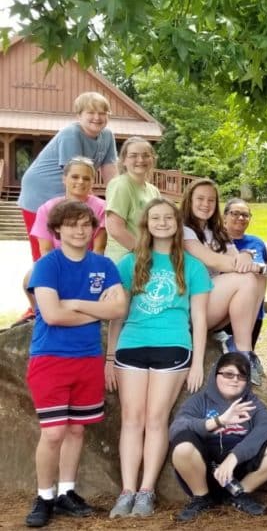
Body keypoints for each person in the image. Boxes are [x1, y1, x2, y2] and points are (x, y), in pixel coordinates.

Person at [107, 198, 212, 518]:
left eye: (169, 217)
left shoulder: (192, 266)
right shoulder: (129, 262)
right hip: (132, 345)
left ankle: (146, 491)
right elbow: (117, 315)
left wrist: (196, 363)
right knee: (131, 419)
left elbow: (200, 318)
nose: (163, 222)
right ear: (146, 223)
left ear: (178, 225)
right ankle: (126, 490)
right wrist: (110, 357)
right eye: (156, 217)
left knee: (155, 419)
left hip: (173, 346)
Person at [23, 201, 126, 527]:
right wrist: (96, 309)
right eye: (71, 224)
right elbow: (52, 315)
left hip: (87, 359)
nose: (79, 230)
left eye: (85, 224)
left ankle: (67, 492)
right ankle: (44, 496)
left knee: (77, 430)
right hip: (51, 358)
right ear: (57, 230)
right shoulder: (47, 265)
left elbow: (118, 310)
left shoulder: (104, 265)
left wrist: (77, 304)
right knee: (53, 433)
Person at [169, 352, 267, 521]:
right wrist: (218, 421)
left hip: (240, 470)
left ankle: (240, 494)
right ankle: (202, 497)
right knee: (182, 446)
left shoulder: (251, 402)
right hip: (207, 470)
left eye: (242, 376)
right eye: (228, 374)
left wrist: (234, 457)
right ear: (216, 374)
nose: (235, 379)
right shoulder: (200, 401)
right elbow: (177, 427)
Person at [181, 179, 267, 384]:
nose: (206, 204)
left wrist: (245, 255)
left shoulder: (217, 231)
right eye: (200, 199)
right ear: (189, 201)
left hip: (210, 305)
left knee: (257, 278)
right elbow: (213, 260)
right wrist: (247, 262)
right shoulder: (183, 230)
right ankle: (243, 352)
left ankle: (241, 345)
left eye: (211, 200)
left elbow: (236, 259)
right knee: (247, 278)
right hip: (189, 306)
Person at [18, 92, 117, 262]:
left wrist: (117, 201)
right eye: (90, 112)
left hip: (70, 192)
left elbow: (112, 175)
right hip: (40, 192)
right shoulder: (71, 133)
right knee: (44, 249)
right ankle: (41, 283)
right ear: (79, 116)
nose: (97, 117)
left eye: (102, 113)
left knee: (83, 242)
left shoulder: (107, 136)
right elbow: (77, 178)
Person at [18, 157, 108, 323]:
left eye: (86, 178)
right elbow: (45, 250)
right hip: (57, 264)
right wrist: (59, 272)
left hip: (88, 265)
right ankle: (40, 316)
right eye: (75, 177)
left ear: (92, 182)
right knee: (29, 279)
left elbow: (99, 249)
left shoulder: (101, 208)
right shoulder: (47, 208)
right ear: (64, 179)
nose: (80, 181)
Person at [104, 137, 163, 263]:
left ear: (152, 159)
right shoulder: (121, 185)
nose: (140, 160)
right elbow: (115, 229)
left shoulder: (153, 190)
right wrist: (144, 255)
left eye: (146, 155)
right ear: (124, 160)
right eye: (133, 155)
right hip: (124, 260)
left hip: (146, 257)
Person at [223, 198, 267, 348]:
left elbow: (265, 271)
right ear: (224, 217)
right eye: (235, 213)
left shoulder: (257, 243)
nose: (241, 218)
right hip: (224, 313)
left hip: (253, 313)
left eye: (245, 215)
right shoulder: (216, 241)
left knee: (243, 359)